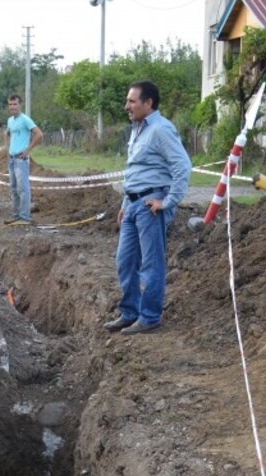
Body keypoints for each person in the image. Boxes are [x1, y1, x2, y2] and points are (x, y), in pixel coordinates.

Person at [103, 80, 190, 336]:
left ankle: (150, 316)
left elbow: (182, 166)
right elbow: (135, 169)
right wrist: (124, 202)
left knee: (151, 264)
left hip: (151, 205)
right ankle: (130, 313)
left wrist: (168, 201)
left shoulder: (161, 129)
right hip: (133, 204)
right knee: (125, 261)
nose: (126, 106)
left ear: (148, 103)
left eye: (132, 101)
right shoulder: (138, 129)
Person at [4, 94, 43, 225]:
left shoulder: (25, 119)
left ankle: (25, 217)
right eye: (10, 104)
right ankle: (16, 215)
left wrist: (27, 150)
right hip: (12, 159)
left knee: (22, 188)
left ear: (20, 105)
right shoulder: (10, 121)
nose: (12, 107)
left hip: (21, 159)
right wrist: (7, 149)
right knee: (13, 188)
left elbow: (39, 134)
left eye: (15, 104)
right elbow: (7, 134)